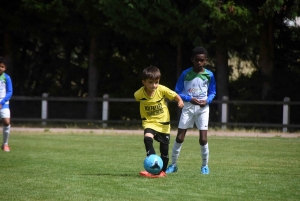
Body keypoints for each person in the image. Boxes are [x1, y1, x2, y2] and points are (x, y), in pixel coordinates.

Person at [166, 46, 216, 175]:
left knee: (203, 139)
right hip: (188, 108)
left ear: (206, 61)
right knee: (180, 137)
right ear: (192, 59)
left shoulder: (209, 75)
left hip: (203, 109)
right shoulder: (185, 73)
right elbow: (176, 92)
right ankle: (173, 165)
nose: (199, 62)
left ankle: (204, 166)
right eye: (197, 60)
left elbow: (212, 92)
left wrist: (207, 100)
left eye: (202, 60)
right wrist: (189, 98)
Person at [134, 66, 184, 178]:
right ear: (144, 82)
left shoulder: (161, 89)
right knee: (147, 138)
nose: (154, 85)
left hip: (163, 123)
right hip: (149, 122)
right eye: (150, 83)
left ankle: (162, 172)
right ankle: (153, 166)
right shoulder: (139, 94)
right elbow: (137, 99)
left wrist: (180, 101)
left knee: (164, 151)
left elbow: (174, 95)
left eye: (156, 82)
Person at [0, 56, 13, 152]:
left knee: (6, 122)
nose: (0, 68)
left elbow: (9, 92)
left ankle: (5, 144)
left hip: (3, 102)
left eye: (2, 66)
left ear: (5, 68)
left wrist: (2, 102)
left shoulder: (6, 77)